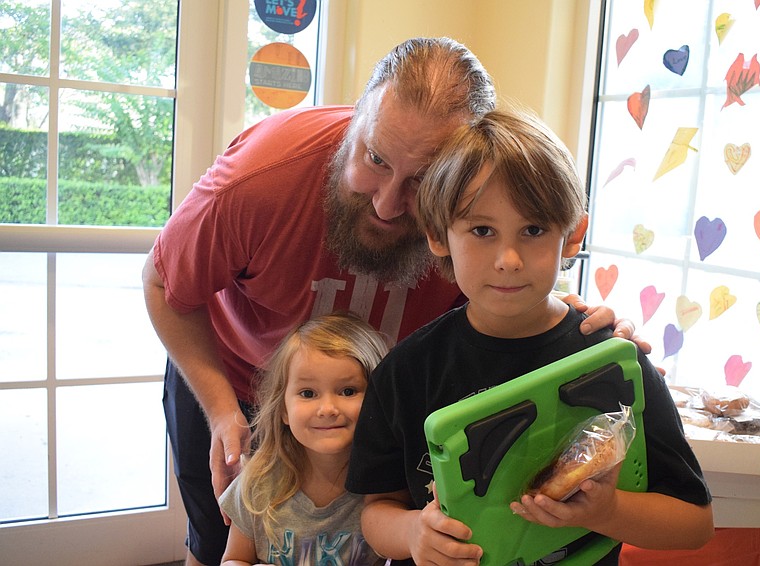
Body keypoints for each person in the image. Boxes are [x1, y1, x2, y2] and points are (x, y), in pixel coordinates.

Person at [142, 37, 642, 566]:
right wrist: (222, 412)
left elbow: (504, 272)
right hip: (237, 382)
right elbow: (162, 286)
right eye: (374, 159)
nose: (385, 202)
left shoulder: (467, 210)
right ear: (354, 120)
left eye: (422, 179)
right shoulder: (257, 184)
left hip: (381, 407)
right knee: (217, 539)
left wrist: (569, 322)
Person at [346, 108, 714, 566]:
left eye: (534, 230)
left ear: (573, 235)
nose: (508, 258)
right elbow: (377, 509)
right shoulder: (406, 370)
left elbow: (695, 524)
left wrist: (610, 510)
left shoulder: (614, 361)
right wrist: (412, 533)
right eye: (482, 230)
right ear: (438, 234)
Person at [219, 311, 388, 566]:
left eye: (348, 391)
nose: (328, 408)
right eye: (308, 393)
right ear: (284, 409)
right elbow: (234, 559)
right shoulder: (257, 484)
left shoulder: (388, 487)